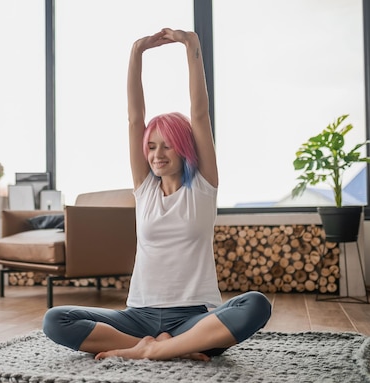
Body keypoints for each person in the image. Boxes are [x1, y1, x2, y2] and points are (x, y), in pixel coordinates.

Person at [42, 28, 272, 361]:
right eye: (151, 146)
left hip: (194, 316)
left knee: (255, 305)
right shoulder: (146, 188)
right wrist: (137, 52)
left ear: (184, 149)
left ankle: (153, 351)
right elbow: (135, 119)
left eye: (167, 145)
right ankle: (169, 348)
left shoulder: (203, 187)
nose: (157, 154)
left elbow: (200, 114)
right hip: (138, 316)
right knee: (56, 319)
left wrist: (192, 46)